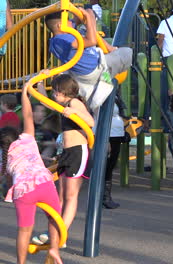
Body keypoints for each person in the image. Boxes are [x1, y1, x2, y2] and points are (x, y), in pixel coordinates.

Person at [0, 83, 63, 264]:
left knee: (25, 230)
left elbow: (8, 179)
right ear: (17, 135)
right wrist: (25, 92)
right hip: (44, 183)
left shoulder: (6, 159)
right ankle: (54, 249)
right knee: (54, 219)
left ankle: (21, 262)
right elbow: (27, 115)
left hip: (24, 190)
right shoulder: (27, 139)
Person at [32, 74, 94, 246]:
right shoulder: (62, 104)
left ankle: (60, 232)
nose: (54, 95)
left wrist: (74, 112)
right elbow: (45, 102)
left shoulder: (74, 103)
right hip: (67, 153)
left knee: (71, 196)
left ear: (64, 91)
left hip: (78, 153)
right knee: (59, 196)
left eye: (56, 91)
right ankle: (55, 230)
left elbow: (90, 121)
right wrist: (39, 83)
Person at [45, 9, 132, 111]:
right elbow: (91, 41)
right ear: (60, 25)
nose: (70, 22)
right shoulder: (61, 40)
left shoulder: (62, 36)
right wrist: (89, 18)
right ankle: (105, 81)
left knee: (86, 31)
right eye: (68, 20)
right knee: (127, 52)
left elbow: (77, 20)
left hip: (84, 74)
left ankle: (99, 91)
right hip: (95, 69)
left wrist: (84, 11)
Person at [103, 103, 124, 209]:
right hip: (109, 134)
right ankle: (105, 198)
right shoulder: (102, 95)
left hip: (115, 134)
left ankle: (106, 197)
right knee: (107, 166)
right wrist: (105, 139)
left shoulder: (113, 96)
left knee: (110, 165)